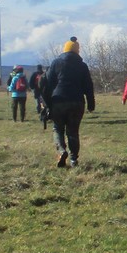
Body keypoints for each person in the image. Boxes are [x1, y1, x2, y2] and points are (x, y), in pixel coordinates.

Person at [44, 37, 96, 168]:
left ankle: (62, 151)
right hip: (77, 101)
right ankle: (73, 159)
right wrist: (91, 104)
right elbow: (88, 86)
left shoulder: (56, 63)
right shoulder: (82, 66)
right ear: (78, 51)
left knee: (57, 128)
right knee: (73, 131)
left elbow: (48, 84)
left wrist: (47, 104)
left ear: (65, 49)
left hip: (58, 100)